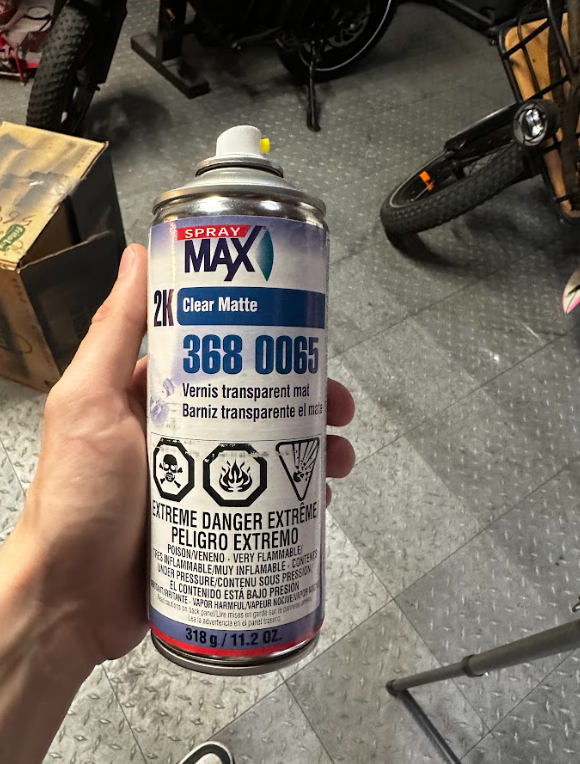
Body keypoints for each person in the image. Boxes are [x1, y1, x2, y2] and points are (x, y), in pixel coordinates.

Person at [0, 244, 356, 764]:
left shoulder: (297, 234)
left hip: (276, 594)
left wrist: (54, 608)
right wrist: (56, 600)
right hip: (180, 583)